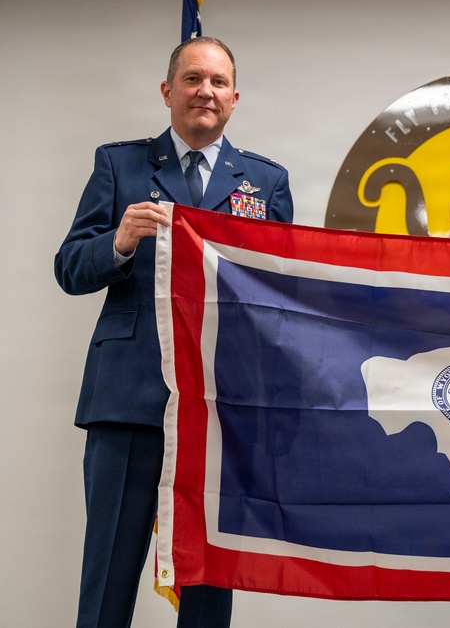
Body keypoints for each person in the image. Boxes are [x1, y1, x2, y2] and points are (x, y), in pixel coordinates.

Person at [55, 36, 293, 628]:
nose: (204, 92)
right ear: (168, 91)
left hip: (219, 411)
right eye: (191, 80)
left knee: (210, 584)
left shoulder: (266, 182)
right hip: (128, 403)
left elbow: (284, 301)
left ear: (235, 98)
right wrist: (119, 242)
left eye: (216, 82)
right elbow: (69, 268)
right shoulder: (120, 165)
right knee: (108, 574)